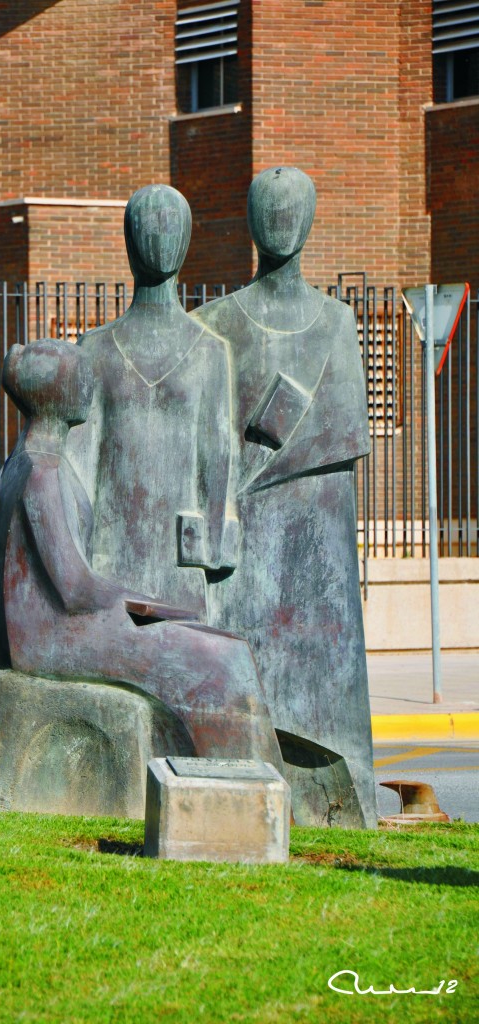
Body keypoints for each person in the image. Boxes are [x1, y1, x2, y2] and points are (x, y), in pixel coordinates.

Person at [0, 337, 283, 768]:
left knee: (220, 644)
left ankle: (242, 776)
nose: (88, 389)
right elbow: (74, 588)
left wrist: (151, 609)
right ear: (56, 391)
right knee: (219, 660)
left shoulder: (37, 460)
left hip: (57, 628)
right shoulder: (41, 471)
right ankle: (236, 781)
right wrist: (145, 605)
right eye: (81, 380)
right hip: (51, 639)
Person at [192, 167, 377, 827]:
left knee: (322, 693)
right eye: (269, 210)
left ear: (310, 221)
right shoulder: (214, 324)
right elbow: (202, 441)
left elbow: (345, 433)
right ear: (250, 222)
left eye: (290, 209)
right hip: (246, 545)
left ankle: (338, 797)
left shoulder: (338, 323)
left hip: (318, 545)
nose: (280, 222)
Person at [67, 184, 238, 621]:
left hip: (182, 556)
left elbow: (217, 454)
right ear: (130, 241)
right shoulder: (96, 349)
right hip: (112, 552)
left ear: (187, 241)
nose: (160, 238)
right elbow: (80, 466)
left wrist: (212, 544)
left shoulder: (209, 351)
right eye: (149, 227)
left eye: (172, 227)